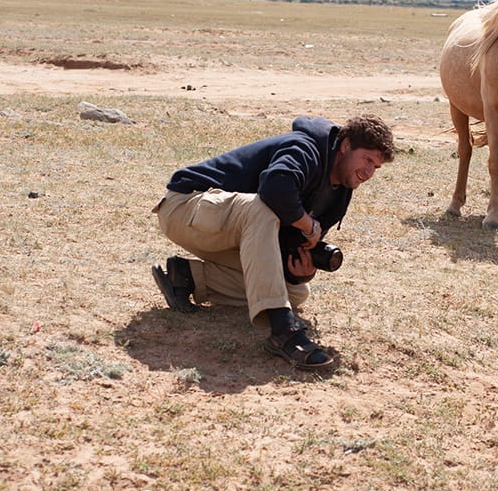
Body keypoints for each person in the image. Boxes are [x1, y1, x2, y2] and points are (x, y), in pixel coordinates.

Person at [152, 115, 395, 370]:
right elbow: (274, 188)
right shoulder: (307, 148)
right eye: (367, 160)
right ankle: (283, 332)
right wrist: (307, 224)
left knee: (294, 292)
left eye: (376, 168)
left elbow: (284, 240)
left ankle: (189, 276)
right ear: (345, 146)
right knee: (263, 207)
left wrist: (300, 270)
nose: (368, 173)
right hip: (185, 207)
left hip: (226, 229)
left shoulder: (341, 190)